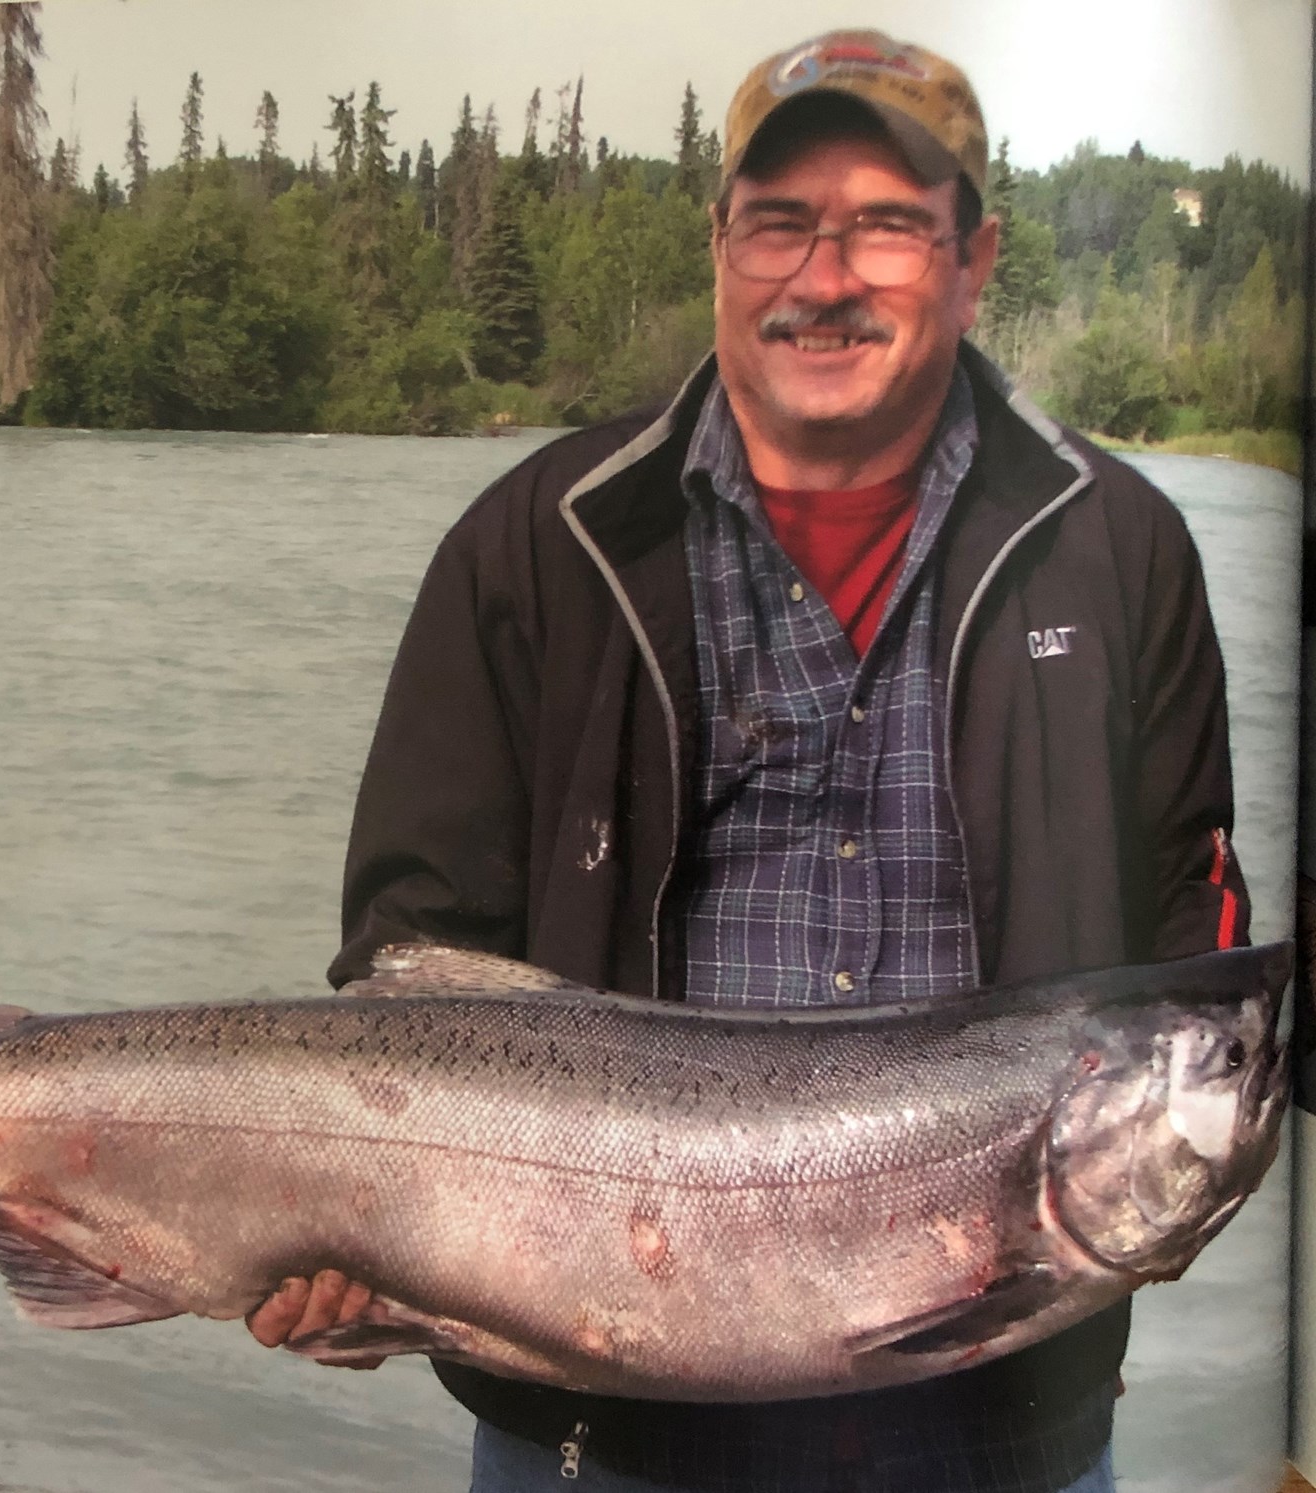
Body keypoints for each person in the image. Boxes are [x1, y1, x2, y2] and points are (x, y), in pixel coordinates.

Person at [248, 28, 1247, 1493]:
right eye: (780, 222)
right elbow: (412, 967)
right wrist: (363, 1250)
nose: (824, 276)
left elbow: (1200, 973)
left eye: (889, 227)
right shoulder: (537, 546)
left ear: (975, 261)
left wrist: (1163, 1189)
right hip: (596, 1447)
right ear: (720, 247)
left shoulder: (1123, 551)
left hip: (1001, 1441)